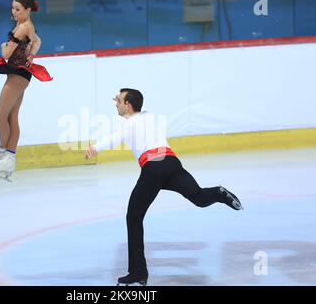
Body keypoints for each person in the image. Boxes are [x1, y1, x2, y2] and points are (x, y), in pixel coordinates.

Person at [85, 88, 243, 286]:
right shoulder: (149, 117)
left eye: (119, 100)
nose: (115, 103)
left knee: (134, 217)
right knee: (199, 197)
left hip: (153, 168)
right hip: (171, 163)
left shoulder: (130, 124)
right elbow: (133, 114)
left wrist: (94, 148)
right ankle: (219, 193)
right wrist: (123, 101)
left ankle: (138, 273)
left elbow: (115, 138)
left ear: (129, 105)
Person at [0, 0, 53, 180]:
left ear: (28, 10)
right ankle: (8, 159)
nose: (13, 12)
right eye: (13, 8)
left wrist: (3, 45)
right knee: (11, 116)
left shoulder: (22, 28)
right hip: (21, 74)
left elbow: (6, 54)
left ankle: (2, 154)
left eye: (18, 9)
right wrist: (31, 55)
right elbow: (37, 41)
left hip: (17, 75)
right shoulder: (26, 25)